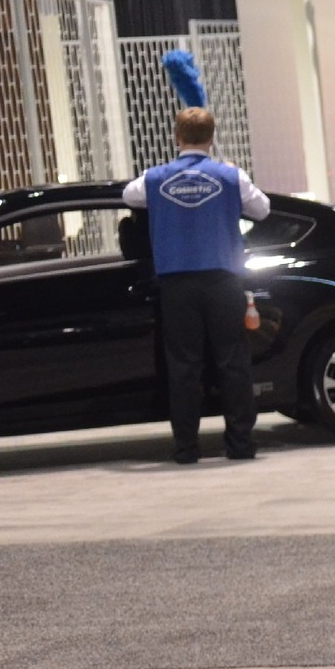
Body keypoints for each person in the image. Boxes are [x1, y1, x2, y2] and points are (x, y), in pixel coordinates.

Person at [123, 108, 270, 463]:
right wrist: (230, 176)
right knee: (232, 362)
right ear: (211, 137)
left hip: (177, 284)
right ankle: (240, 445)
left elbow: (129, 196)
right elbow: (263, 209)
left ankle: (187, 448)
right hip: (223, 280)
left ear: (177, 137)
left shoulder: (154, 178)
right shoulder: (231, 176)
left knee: (184, 366)